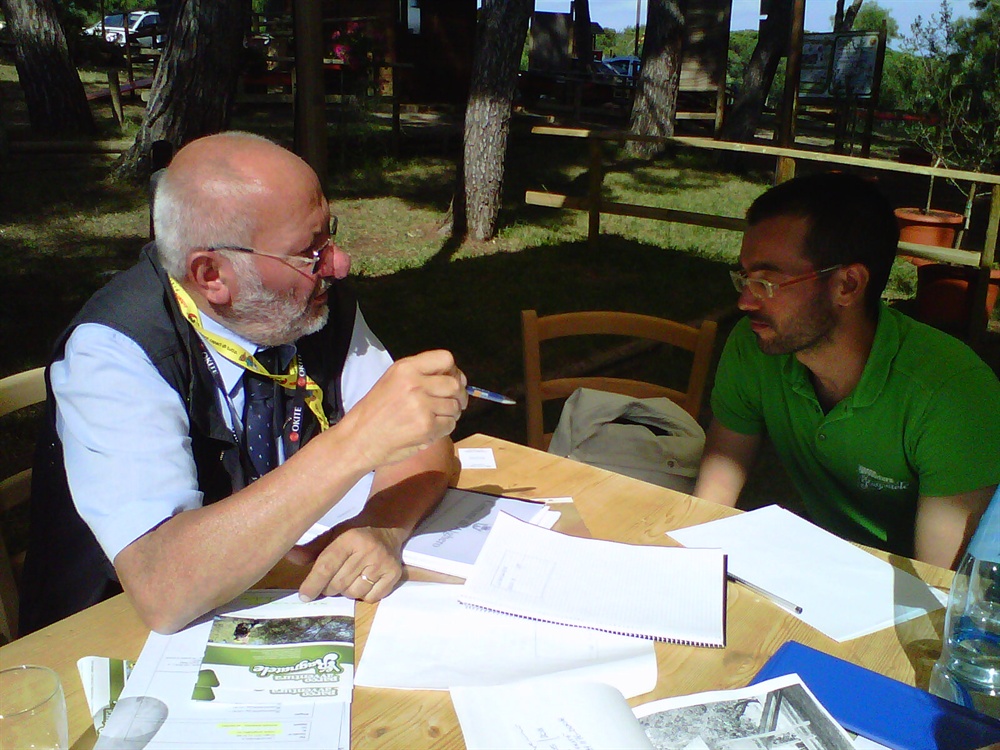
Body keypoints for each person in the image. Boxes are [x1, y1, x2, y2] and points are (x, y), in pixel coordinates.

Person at [19, 132, 468, 635]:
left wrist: (380, 526)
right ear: (212, 275)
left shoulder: (307, 303)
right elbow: (163, 590)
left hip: (281, 603)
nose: (338, 263)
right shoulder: (115, 351)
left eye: (329, 236)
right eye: (308, 251)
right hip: (111, 639)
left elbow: (421, 440)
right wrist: (355, 443)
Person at [693, 172, 1000, 569]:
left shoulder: (952, 396)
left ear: (848, 285)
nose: (745, 301)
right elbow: (711, 503)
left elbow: (938, 585)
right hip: (831, 570)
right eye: (745, 278)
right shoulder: (755, 346)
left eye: (767, 282)